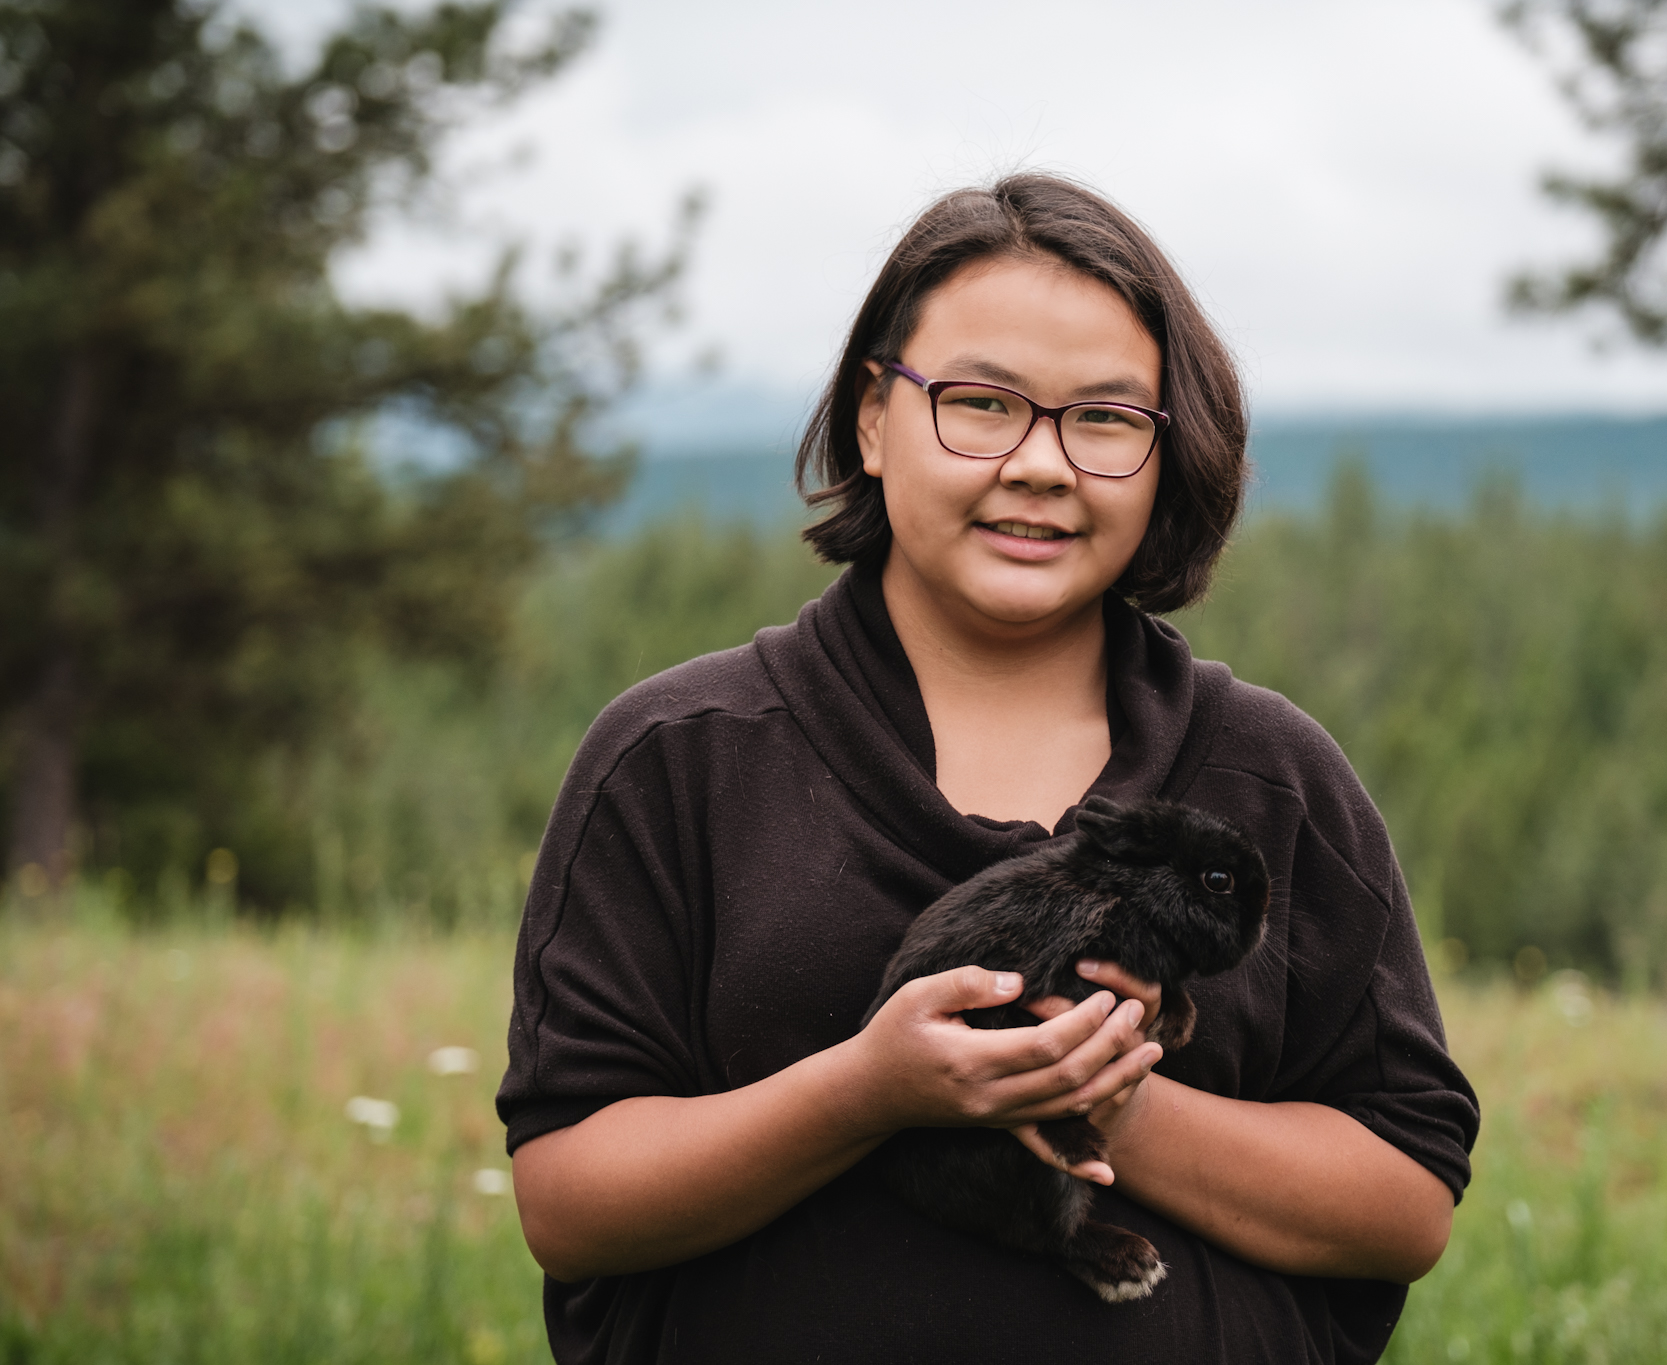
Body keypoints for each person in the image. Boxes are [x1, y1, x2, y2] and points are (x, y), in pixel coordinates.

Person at [497, 174, 1479, 1365]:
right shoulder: (679, 760)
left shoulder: (1273, 781)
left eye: (1106, 419)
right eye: (980, 403)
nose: (1040, 464)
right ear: (872, 416)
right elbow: (567, 1200)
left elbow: (1404, 1201)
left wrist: (1109, 1095)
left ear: (1171, 452)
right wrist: (867, 1093)